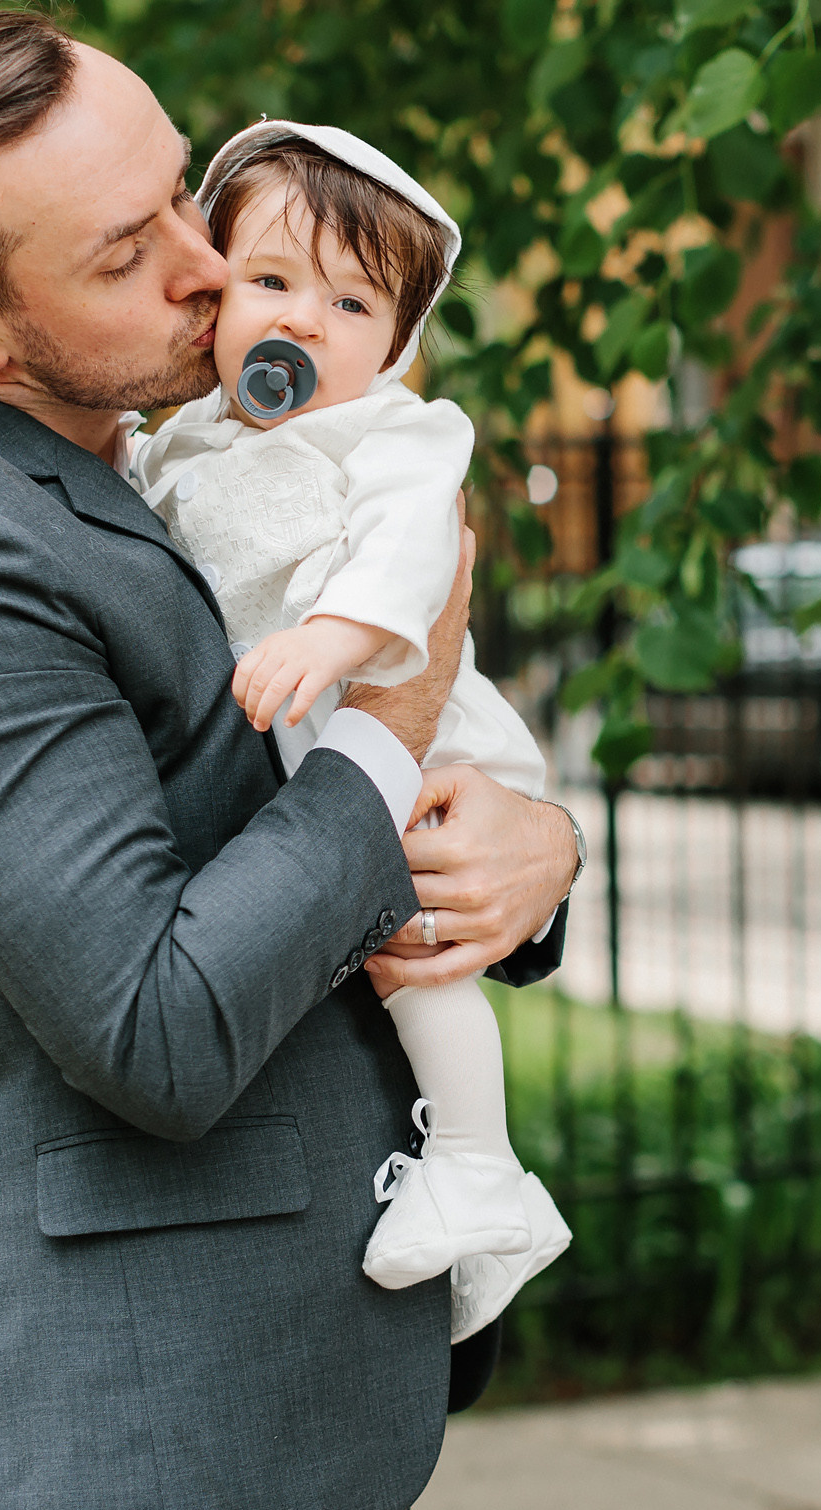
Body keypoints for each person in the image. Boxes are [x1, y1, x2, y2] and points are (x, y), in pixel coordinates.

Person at [0, 13, 580, 1510]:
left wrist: (533, 850)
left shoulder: (158, 438)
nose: (211, 268)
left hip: (284, 1411)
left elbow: (281, 806)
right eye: (126, 250)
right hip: (167, 1471)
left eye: (181, 197)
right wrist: (392, 722)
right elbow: (152, 1022)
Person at [128, 120, 569, 1345]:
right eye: (270, 281)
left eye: (352, 302)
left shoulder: (393, 434)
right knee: (386, 945)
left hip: (409, 734)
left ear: (396, 344)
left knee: (413, 954)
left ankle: (480, 1166)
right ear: (216, 287)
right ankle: (473, 1190)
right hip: (307, 745)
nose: (303, 322)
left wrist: (335, 636)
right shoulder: (183, 442)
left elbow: (412, 550)